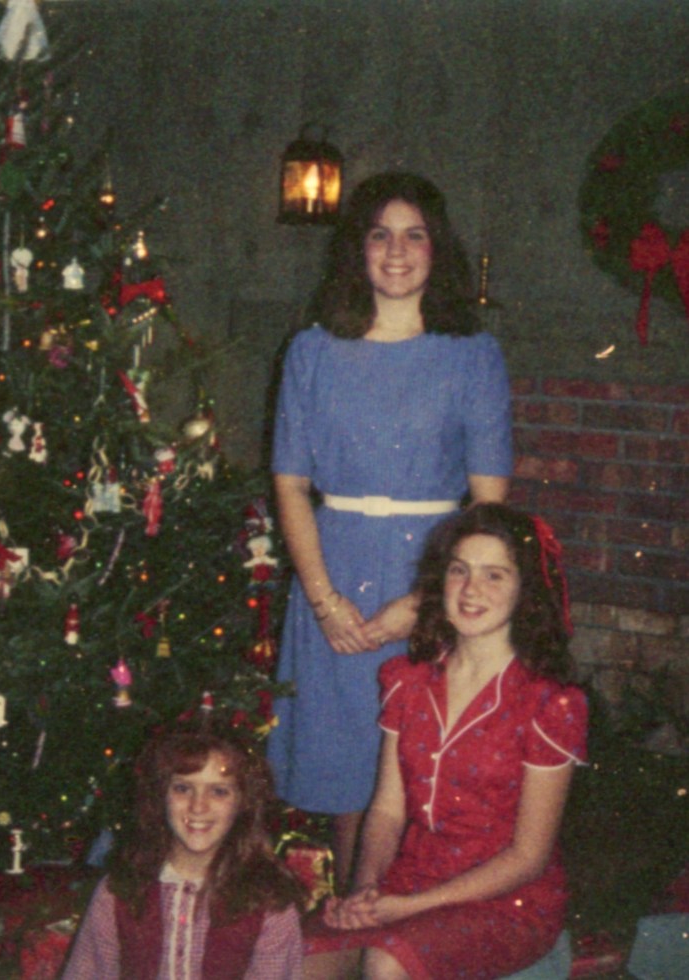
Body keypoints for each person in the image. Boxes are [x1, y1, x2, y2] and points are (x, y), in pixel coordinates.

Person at [268, 171, 513, 888]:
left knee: (421, 765)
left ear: (439, 251)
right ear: (358, 250)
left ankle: (414, 929)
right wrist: (324, 601)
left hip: (439, 579)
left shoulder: (472, 355)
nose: (397, 251)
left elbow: (488, 506)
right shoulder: (311, 352)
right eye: (380, 235)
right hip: (334, 570)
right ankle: (355, 913)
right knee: (349, 768)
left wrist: (427, 601)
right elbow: (289, 484)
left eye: (414, 236)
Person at [313, 503, 587, 980]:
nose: (471, 589)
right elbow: (387, 810)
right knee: (293, 956)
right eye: (459, 570)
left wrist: (408, 907)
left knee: (386, 963)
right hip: (410, 878)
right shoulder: (408, 681)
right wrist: (367, 892)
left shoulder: (548, 704)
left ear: (526, 592)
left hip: (505, 899)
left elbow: (529, 856)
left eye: (494, 575)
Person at [62, 724, 306, 979]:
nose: (198, 806)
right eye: (183, 788)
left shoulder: (268, 902)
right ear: (161, 796)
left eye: (219, 791)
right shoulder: (118, 892)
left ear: (243, 802)